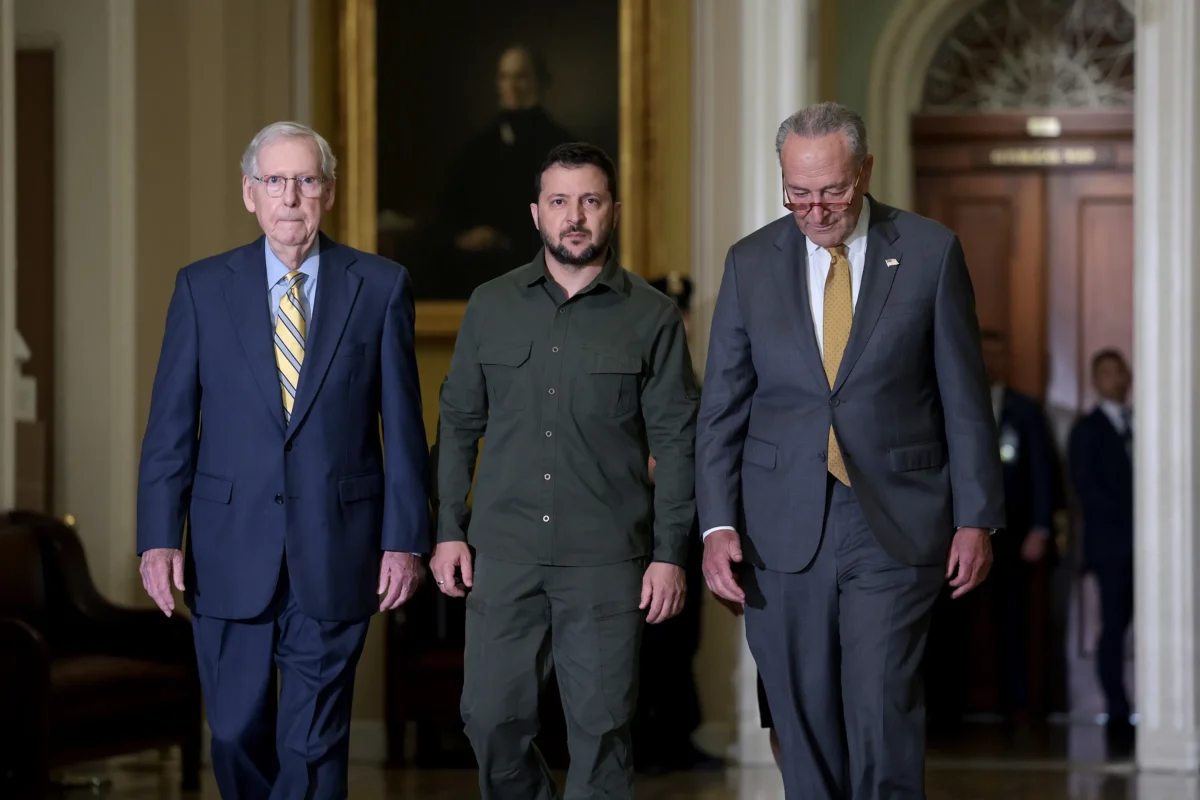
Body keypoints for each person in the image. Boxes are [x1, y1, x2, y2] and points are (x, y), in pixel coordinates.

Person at [696, 102, 1004, 799]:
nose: (815, 209)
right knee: (800, 720)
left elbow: (962, 395)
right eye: (797, 193)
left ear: (863, 172)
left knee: (882, 705)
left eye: (831, 190)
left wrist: (976, 516)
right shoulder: (750, 263)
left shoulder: (929, 251)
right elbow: (721, 409)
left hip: (893, 520)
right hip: (778, 525)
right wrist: (716, 527)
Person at [136, 122, 429, 799]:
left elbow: (404, 427)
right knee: (236, 733)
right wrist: (158, 537)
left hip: (338, 547)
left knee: (314, 743)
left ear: (326, 192)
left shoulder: (380, 287)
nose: (290, 196)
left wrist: (405, 541)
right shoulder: (201, 289)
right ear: (249, 193)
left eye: (305, 180)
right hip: (228, 550)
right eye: (275, 181)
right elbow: (170, 429)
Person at [432, 142, 699, 799]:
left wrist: (670, 556)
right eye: (560, 202)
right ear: (536, 213)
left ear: (612, 211)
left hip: (608, 560)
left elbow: (679, 439)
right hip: (506, 554)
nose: (574, 215)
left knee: (603, 733)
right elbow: (459, 425)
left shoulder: (653, 317)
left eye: (590, 200)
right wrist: (446, 530)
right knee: (490, 719)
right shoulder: (490, 305)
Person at [634, 274, 723, 773]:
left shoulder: (702, 385)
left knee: (682, 637)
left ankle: (675, 736)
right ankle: (641, 740)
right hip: (636, 528)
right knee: (641, 640)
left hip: (688, 528)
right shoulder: (627, 378)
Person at [1068, 349, 1134, 753]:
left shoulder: (1147, 423)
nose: (1114, 379)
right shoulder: (1087, 430)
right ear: (1095, 380)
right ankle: (1118, 710)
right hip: (1112, 548)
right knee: (1113, 629)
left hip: (1152, 552)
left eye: (1119, 371)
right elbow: (1086, 490)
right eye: (1105, 373)